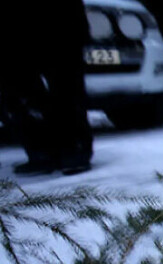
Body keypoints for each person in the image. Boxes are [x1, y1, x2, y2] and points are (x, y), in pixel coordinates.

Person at [0, 1, 94, 176]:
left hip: (60, 24)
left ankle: (73, 150)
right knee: (22, 91)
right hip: (16, 29)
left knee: (65, 88)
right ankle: (43, 151)